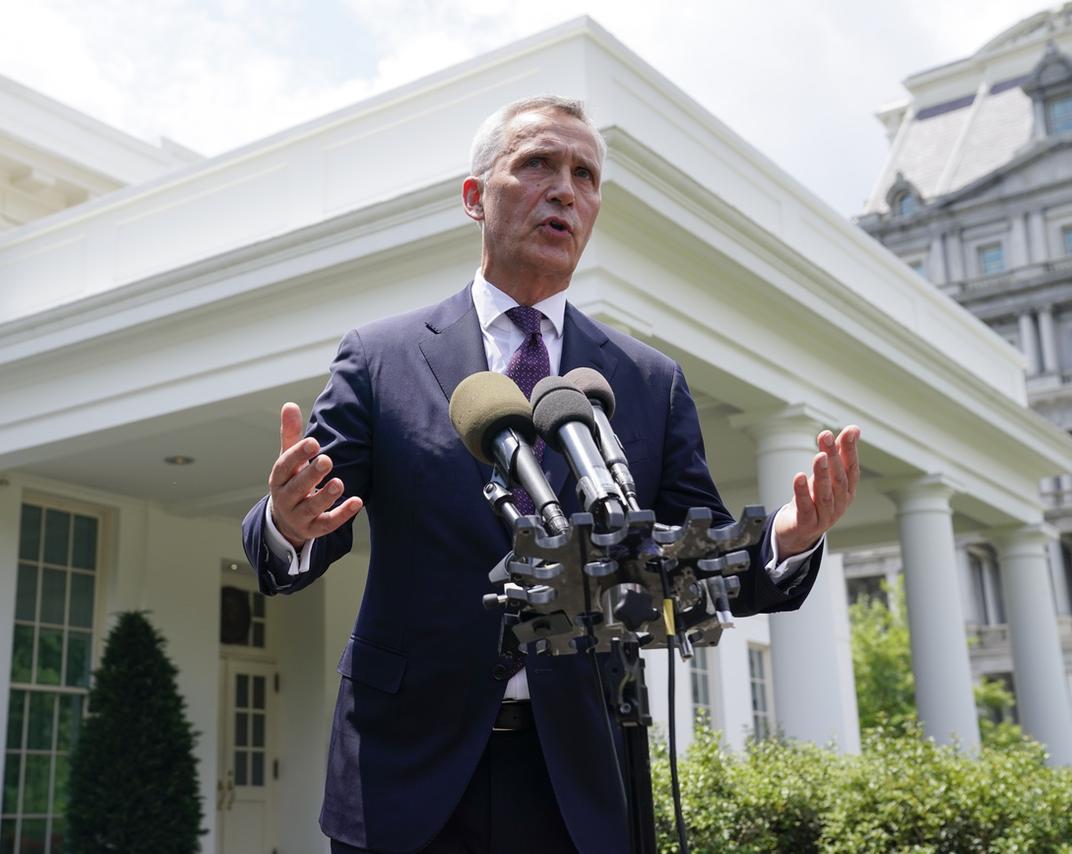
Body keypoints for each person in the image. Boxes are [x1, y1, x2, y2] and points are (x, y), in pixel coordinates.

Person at [242, 95, 861, 854]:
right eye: (536, 163)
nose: (565, 188)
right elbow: (311, 523)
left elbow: (689, 564)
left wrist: (784, 542)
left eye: (585, 174)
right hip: (407, 771)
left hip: (581, 777)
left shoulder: (646, 379)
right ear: (475, 197)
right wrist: (288, 523)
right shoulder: (380, 358)